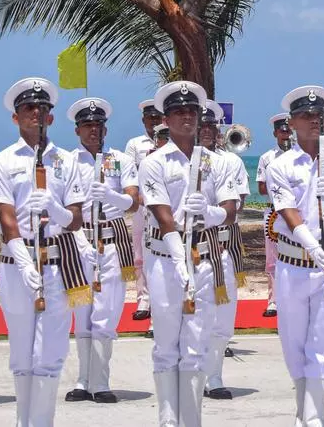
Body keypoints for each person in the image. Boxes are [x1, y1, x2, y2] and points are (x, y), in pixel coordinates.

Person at [139, 80, 240, 427]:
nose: (186, 117)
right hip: (165, 260)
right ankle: (168, 419)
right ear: (165, 119)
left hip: (204, 258)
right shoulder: (154, 162)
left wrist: (213, 213)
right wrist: (177, 255)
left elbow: (230, 206)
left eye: (191, 112)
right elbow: (160, 211)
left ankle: (191, 420)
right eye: (178, 112)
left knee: (196, 344)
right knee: (167, 342)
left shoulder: (216, 162)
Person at [0, 77, 88, 426]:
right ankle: (23, 422)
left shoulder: (68, 161)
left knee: (50, 352)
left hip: (58, 263)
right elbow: (5, 219)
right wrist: (21, 260)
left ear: (51, 118)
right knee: (21, 352)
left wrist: (58, 211)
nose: (36, 113)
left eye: (42, 108)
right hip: (18, 264)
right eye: (28, 108)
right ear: (16, 118)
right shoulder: (0, 161)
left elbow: (76, 218)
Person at [266, 85, 324, 425]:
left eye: (319, 116)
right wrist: (310, 243)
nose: (314, 122)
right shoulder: (280, 165)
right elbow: (286, 210)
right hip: (293, 262)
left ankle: (315, 416)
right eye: (306, 116)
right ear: (292, 122)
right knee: (293, 343)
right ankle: (301, 408)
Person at [65, 98, 139, 404]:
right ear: (77, 130)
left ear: (105, 128)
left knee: (106, 313)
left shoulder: (120, 160)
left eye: (98, 125)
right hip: (80, 241)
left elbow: (134, 201)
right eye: (87, 125)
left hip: (112, 239)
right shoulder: (66, 161)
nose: (93, 130)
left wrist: (112, 195)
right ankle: (83, 380)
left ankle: (101, 381)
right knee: (82, 314)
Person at [196, 100, 249, 401]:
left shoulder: (231, 162)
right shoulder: (183, 160)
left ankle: (214, 376)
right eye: (201, 125)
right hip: (196, 248)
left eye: (210, 126)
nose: (206, 131)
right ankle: (196, 374)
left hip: (225, 246)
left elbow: (237, 202)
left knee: (223, 319)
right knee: (197, 318)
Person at [125, 100, 163, 322]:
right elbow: (130, 173)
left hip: (164, 204)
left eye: (157, 117)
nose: (154, 121)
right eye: (150, 118)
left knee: (160, 251)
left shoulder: (169, 139)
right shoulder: (134, 144)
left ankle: (158, 300)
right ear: (144, 120)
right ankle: (143, 300)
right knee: (139, 253)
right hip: (141, 205)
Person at [256, 112, 292, 318]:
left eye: (288, 129)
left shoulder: (299, 155)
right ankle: (273, 300)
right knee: (272, 258)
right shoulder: (267, 158)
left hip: (296, 210)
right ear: (275, 133)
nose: (285, 134)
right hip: (274, 210)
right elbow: (261, 188)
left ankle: (290, 298)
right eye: (282, 130)